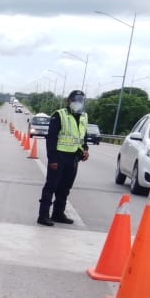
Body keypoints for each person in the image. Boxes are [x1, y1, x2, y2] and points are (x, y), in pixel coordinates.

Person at [38, 89, 90, 226]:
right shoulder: (59, 115)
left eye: (80, 101)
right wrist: (52, 159)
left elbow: (83, 136)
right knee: (51, 186)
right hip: (59, 157)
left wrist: (85, 149)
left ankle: (58, 213)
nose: (78, 103)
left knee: (65, 188)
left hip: (74, 158)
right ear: (69, 101)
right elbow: (51, 139)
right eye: (75, 100)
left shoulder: (84, 116)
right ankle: (43, 216)